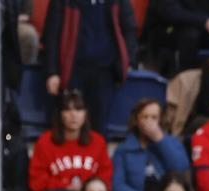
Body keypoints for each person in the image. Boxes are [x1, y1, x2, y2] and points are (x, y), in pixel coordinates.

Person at [42, 0, 138, 135]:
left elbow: (129, 29)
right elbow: (51, 35)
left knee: (98, 129)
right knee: (68, 129)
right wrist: (52, 72)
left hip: (105, 71)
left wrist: (128, 62)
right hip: (71, 71)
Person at [28, 90, 113, 191]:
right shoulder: (45, 142)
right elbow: (36, 182)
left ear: (85, 114)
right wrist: (66, 186)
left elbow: (106, 176)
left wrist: (87, 189)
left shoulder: (98, 141)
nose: (73, 115)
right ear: (60, 114)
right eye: (67, 110)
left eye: (79, 109)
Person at [111, 99, 191, 191]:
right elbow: (117, 185)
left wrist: (160, 139)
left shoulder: (171, 143)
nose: (149, 122)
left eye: (154, 117)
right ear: (137, 120)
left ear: (160, 120)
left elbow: (181, 168)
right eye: (145, 117)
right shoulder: (124, 149)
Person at [144, 0, 209, 74]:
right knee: (190, 35)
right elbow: (171, 12)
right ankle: (185, 80)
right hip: (171, 30)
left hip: (207, 29)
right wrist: (205, 22)